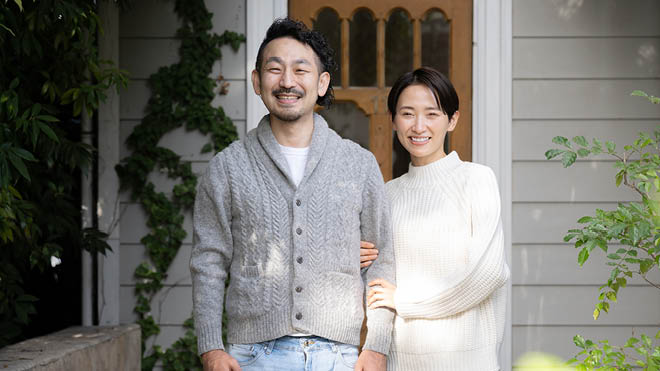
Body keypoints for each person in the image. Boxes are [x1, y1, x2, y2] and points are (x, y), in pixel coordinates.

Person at [190, 18, 395, 371]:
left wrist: (376, 346)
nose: (287, 81)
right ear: (257, 81)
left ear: (321, 82)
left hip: (340, 357)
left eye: (301, 70)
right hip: (252, 357)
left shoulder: (358, 165)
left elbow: (381, 260)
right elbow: (208, 262)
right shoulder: (227, 168)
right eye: (274, 69)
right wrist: (211, 347)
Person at [365, 67, 510, 371]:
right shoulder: (388, 195)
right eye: (407, 114)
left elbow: (486, 275)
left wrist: (404, 300)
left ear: (452, 119)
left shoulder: (477, 180)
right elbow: (377, 282)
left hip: (469, 363)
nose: (419, 126)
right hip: (401, 364)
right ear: (393, 121)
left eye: (432, 114)